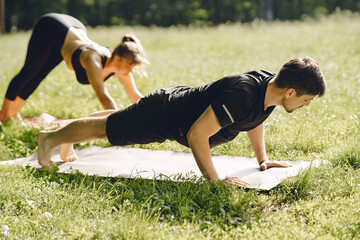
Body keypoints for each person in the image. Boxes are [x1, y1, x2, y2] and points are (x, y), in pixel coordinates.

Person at [37, 57, 326, 187]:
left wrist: (263, 159)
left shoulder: (269, 91)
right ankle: (50, 139)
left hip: (171, 105)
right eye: (306, 99)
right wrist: (216, 181)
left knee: (115, 121)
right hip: (164, 115)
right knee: (106, 131)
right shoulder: (243, 94)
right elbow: (197, 136)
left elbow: (254, 120)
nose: (306, 105)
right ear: (291, 91)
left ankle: (67, 134)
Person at [0, 13, 149, 123]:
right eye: (130, 66)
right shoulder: (93, 59)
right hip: (51, 27)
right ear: (118, 58)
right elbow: (104, 97)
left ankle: (13, 113)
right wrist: (119, 124)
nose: (130, 71)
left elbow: (135, 95)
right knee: (29, 72)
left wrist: (151, 114)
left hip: (72, 31)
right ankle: (5, 114)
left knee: (39, 75)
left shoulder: (121, 68)